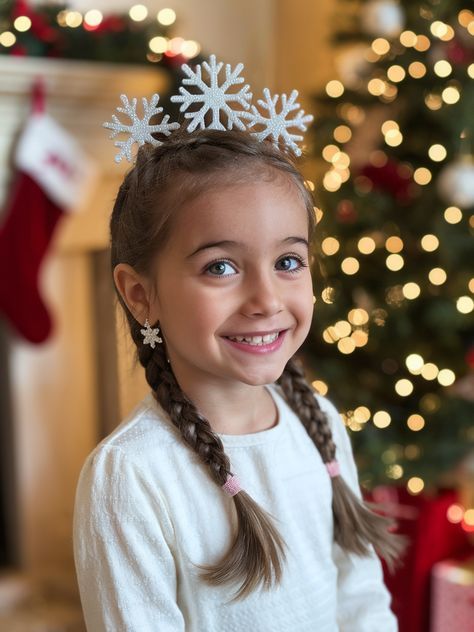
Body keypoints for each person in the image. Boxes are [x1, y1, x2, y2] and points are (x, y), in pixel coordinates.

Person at [74, 70, 403, 631]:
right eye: (220, 267)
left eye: (288, 261)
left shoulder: (317, 420)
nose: (265, 299)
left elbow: (362, 598)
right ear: (140, 294)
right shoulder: (130, 475)